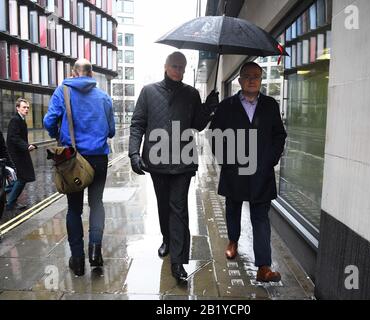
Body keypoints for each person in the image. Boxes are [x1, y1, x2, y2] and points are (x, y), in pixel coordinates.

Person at [129, 51, 218, 281]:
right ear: (166, 66)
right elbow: (138, 123)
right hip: (156, 162)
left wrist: (208, 108)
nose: (179, 70)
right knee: (163, 205)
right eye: (176, 66)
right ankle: (167, 239)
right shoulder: (148, 91)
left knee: (178, 208)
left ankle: (178, 262)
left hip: (183, 161)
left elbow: (197, 125)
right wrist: (133, 154)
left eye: (183, 67)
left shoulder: (191, 93)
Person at [209, 61, 287, 282]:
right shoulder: (226, 105)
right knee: (232, 208)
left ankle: (263, 266)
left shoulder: (270, 105)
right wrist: (227, 160)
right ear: (240, 80)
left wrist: (269, 160)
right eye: (248, 76)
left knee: (260, 218)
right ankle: (233, 241)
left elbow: (279, 135)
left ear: (261, 80)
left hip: (261, 172)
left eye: (257, 76)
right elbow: (215, 134)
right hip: (235, 170)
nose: (252, 79)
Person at [44, 58, 115, 276]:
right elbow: (111, 131)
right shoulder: (103, 97)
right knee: (97, 204)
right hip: (98, 159)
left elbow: (49, 121)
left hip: (72, 160)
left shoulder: (62, 91)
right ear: (91, 75)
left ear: (73, 73)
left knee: (74, 208)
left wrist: (59, 136)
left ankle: (77, 260)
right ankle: (95, 251)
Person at [6, 98, 36, 210]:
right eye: (24, 107)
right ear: (17, 108)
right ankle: (10, 203)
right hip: (16, 155)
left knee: (22, 178)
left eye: (28, 107)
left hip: (20, 153)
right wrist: (26, 146)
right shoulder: (15, 120)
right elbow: (14, 138)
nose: (26, 109)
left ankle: (8, 197)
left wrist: (27, 145)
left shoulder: (21, 119)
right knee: (22, 178)